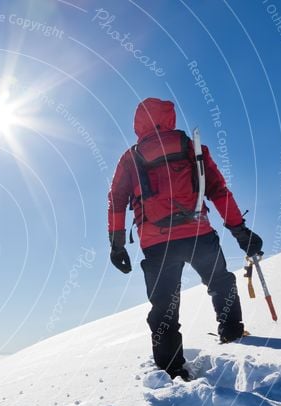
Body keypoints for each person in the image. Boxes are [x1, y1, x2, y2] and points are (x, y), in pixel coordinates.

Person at [107, 97, 263, 380]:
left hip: (156, 243)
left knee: (165, 305)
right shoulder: (194, 148)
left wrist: (116, 245)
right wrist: (240, 231)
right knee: (220, 282)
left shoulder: (131, 157)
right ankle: (232, 334)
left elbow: (116, 201)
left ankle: (171, 372)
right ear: (170, 117)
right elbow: (218, 191)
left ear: (137, 123)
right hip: (198, 233)